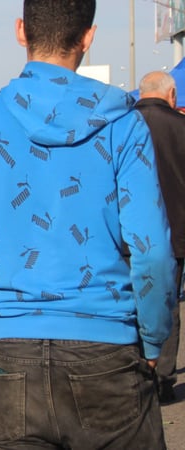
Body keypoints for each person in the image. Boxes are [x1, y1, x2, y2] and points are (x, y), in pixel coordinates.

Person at [0, 1, 175, 448]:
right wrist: (154, 341)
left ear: (20, 31)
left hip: (8, 354)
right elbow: (152, 251)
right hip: (107, 349)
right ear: (88, 37)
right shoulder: (124, 127)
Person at [135, 70, 185, 405]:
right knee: (167, 302)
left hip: (127, 235)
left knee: (129, 303)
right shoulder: (182, 128)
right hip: (176, 233)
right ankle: (163, 378)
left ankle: (132, 374)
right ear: (171, 95)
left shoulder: (122, 126)